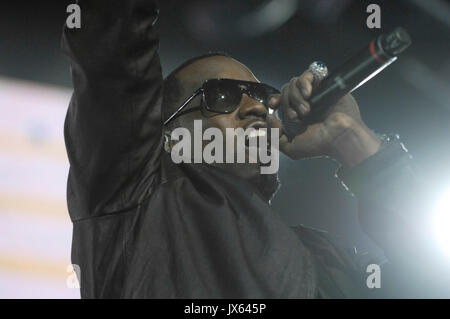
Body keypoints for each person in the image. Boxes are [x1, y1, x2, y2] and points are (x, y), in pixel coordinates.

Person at [62, 0, 449, 298]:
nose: (256, 108)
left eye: (263, 96)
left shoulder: (324, 258)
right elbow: (111, 41)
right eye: (224, 95)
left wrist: (352, 139)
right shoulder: (135, 202)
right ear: (168, 135)